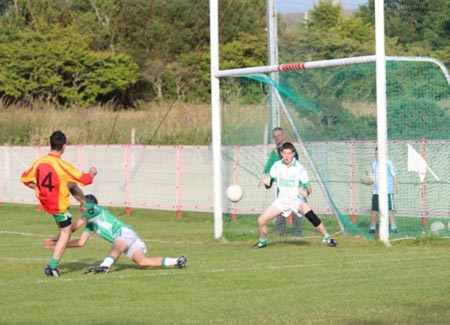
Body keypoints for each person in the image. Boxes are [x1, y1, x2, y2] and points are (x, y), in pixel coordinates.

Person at [45, 194, 187, 273]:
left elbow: (74, 227)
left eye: (82, 204)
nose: (80, 207)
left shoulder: (95, 209)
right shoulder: (90, 224)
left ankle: (105, 266)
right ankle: (177, 261)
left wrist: (57, 240)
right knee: (143, 262)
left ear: (89, 205)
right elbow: (81, 242)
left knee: (117, 245)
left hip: (124, 233)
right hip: (129, 239)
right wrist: (60, 245)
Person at [21, 130, 97, 277]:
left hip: (45, 200)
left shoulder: (40, 162)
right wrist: (92, 172)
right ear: (64, 146)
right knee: (66, 233)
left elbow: (24, 178)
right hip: (57, 205)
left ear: (51, 145)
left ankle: (87, 206)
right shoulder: (62, 165)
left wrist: (37, 187)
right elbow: (87, 180)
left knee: (72, 184)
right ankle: (52, 266)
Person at [255, 142, 337, 248]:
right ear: (281, 153)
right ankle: (262, 242)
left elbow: (309, 188)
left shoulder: (299, 168)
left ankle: (328, 238)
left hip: (296, 200)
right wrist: (267, 183)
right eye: (284, 153)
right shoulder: (276, 166)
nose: (287, 156)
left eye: (289, 153)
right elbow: (269, 184)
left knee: (311, 216)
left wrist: (306, 192)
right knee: (261, 220)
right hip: (281, 201)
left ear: (293, 154)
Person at [262, 127, 303, 237]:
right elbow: (271, 166)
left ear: (283, 136)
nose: (277, 138)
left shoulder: (289, 148)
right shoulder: (275, 151)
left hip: (294, 185)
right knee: (280, 208)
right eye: (275, 136)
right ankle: (280, 233)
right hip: (283, 186)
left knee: (296, 209)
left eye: (279, 135)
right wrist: (266, 177)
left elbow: (294, 161)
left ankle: (298, 234)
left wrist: (280, 153)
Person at [368, 147, 399, 234]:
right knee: (374, 211)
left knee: (390, 211)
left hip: (388, 191)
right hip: (376, 192)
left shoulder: (388, 163)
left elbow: (395, 176)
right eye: (375, 154)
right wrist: (367, 179)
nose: (376, 155)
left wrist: (396, 187)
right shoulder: (373, 163)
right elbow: (372, 176)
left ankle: (394, 228)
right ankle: (372, 228)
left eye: (378, 154)